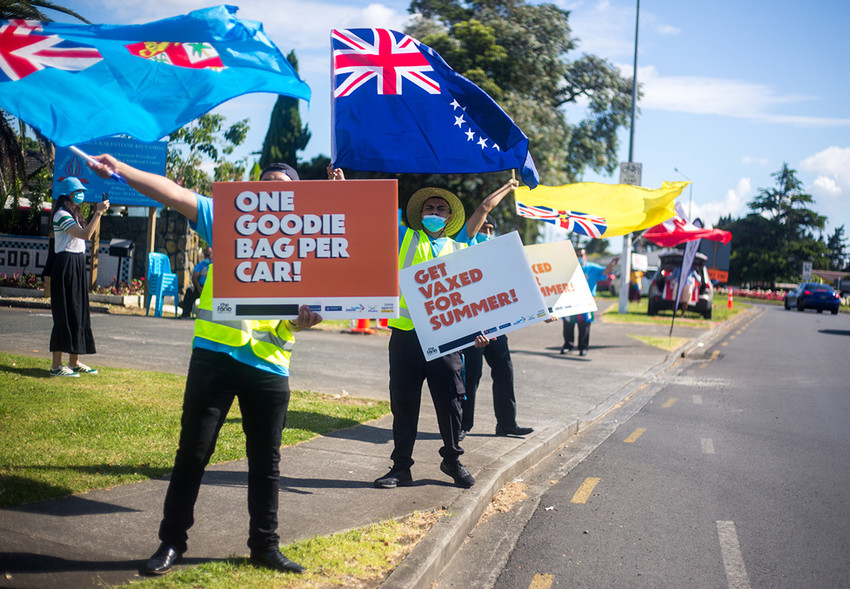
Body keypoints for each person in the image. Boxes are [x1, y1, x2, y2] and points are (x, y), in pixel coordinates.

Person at [89, 154, 321, 576]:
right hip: (214, 359)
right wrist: (121, 170)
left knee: (267, 463)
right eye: (265, 184)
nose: (272, 191)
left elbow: (305, 308)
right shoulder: (230, 217)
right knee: (192, 455)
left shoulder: (310, 242)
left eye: (282, 186)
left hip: (270, 366)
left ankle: (264, 545)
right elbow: (174, 194)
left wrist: (301, 322)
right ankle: (171, 542)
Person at [328, 166, 486, 489]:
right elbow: (371, 217)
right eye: (429, 208)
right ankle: (401, 467)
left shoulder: (461, 249)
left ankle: (452, 460)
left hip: (446, 339)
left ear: (449, 217)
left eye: (441, 209)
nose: (434, 212)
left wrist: (480, 330)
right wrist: (344, 189)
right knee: (403, 403)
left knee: (453, 401)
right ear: (420, 214)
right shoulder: (405, 237)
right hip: (405, 336)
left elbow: (476, 296)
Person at [452, 182, 534, 440]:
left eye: (491, 229)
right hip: (470, 323)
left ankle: (507, 423)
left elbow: (517, 287)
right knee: (471, 375)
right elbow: (484, 208)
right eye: (484, 227)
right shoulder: (464, 244)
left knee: (504, 370)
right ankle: (463, 425)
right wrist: (508, 187)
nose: (487, 231)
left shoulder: (497, 255)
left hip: (496, 323)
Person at [48, 177, 109, 377]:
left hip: (77, 263)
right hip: (65, 264)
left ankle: (74, 362)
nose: (80, 194)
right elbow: (85, 235)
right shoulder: (61, 214)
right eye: (77, 192)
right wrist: (98, 212)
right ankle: (56, 366)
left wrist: (97, 213)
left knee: (78, 312)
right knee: (64, 314)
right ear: (67, 194)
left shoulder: (73, 214)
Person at [560, 248, 618, 357]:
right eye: (577, 255)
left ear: (585, 256)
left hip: (586, 301)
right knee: (568, 324)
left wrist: (612, 264)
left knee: (584, 325)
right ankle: (568, 345)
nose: (579, 258)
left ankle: (583, 347)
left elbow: (605, 271)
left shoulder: (592, 268)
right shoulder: (569, 268)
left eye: (581, 255)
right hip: (570, 300)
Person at [180, 246, 212, 318]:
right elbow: (195, 277)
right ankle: (186, 314)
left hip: (211, 288)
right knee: (189, 291)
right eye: (205, 255)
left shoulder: (214, 264)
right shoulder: (200, 265)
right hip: (200, 287)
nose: (207, 257)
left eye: (208, 255)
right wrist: (199, 288)